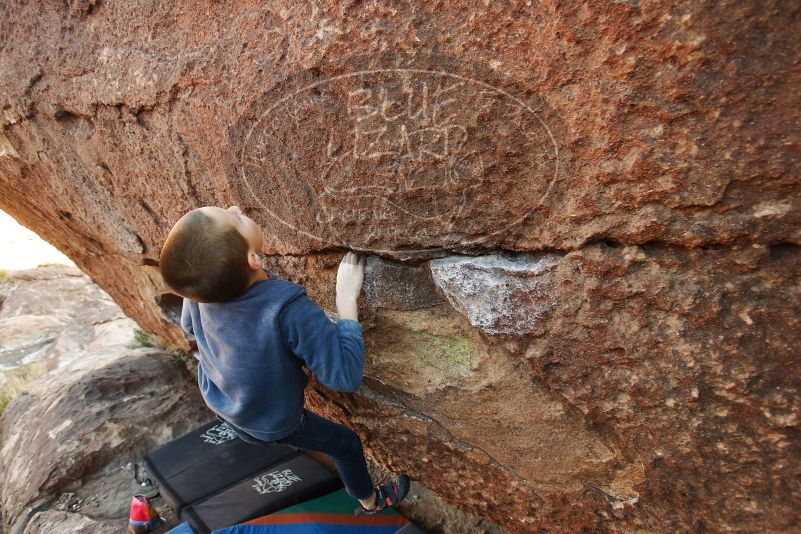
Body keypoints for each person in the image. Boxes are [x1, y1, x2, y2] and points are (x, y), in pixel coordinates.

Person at [158, 205, 409, 515]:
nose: (236, 208)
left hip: (220, 398)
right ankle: (369, 501)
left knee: (253, 428)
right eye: (234, 217)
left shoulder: (201, 291)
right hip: (272, 421)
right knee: (346, 445)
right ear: (253, 259)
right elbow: (344, 376)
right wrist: (345, 301)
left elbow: (187, 326)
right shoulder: (287, 308)